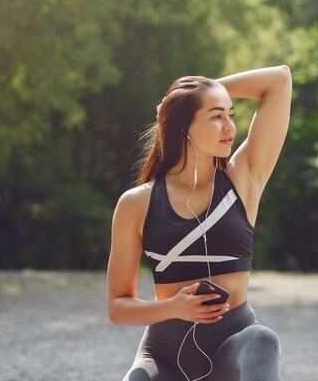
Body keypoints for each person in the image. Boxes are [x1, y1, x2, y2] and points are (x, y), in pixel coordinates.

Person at [107, 65, 293, 381]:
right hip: (163, 357)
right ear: (183, 126)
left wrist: (194, 96)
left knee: (262, 339)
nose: (230, 126)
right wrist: (174, 308)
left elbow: (280, 79)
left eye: (231, 115)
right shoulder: (136, 203)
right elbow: (117, 307)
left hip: (232, 348)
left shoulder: (243, 181)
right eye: (216, 116)